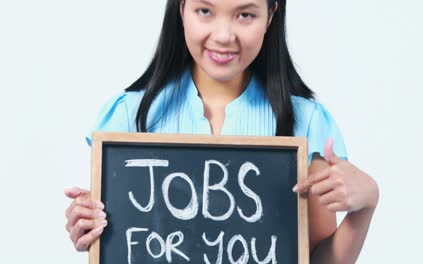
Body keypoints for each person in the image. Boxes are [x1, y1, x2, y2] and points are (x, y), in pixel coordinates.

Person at [65, 0, 379, 262]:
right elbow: (118, 244)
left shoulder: (307, 122)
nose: (224, 35)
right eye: (205, 11)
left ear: (271, 14)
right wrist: (89, 229)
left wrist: (365, 206)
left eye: (245, 15)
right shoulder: (128, 117)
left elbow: (314, 259)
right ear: (181, 8)